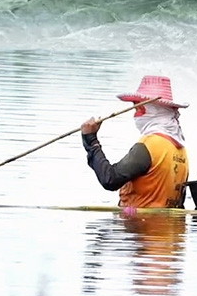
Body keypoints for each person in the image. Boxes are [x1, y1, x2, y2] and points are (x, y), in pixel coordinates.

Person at [80, 75, 190, 209]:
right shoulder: (180, 148)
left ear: (152, 110)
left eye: (138, 109)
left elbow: (110, 180)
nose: (135, 115)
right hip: (169, 227)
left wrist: (91, 141)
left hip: (136, 223)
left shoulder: (150, 145)